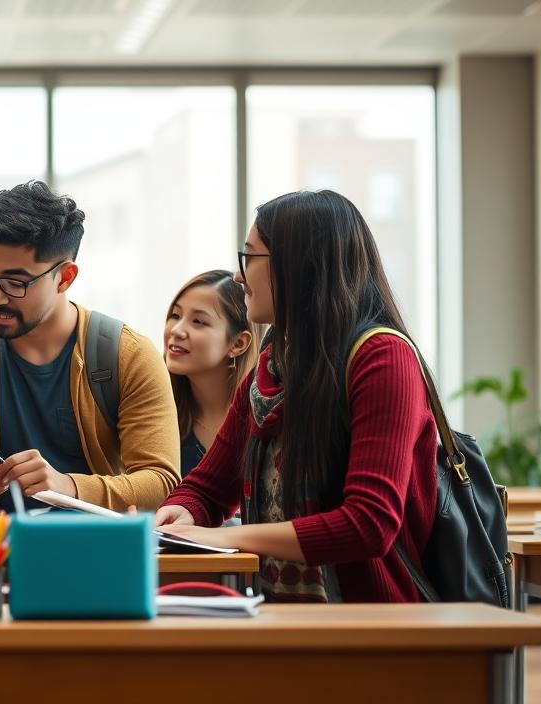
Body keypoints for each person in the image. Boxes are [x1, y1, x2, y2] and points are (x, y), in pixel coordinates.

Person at [155, 189, 438, 602]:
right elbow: (208, 488)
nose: (239, 276)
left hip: (375, 622)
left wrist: (221, 536)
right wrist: (180, 513)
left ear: (299, 265)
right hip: (286, 617)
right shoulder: (272, 364)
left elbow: (368, 524)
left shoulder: (382, 357)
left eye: (250, 258)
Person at [0, 180, 180, 512]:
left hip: (106, 556)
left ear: (65, 277)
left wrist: (68, 486)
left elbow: (161, 482)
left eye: (15, 283)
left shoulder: (127, 355)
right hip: (3, 559)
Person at [163, 270, 258, 477]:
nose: (176, 330)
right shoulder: (158, 415)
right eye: (175, 315)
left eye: (198, 321)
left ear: (238, 344)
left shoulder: (263, 419)